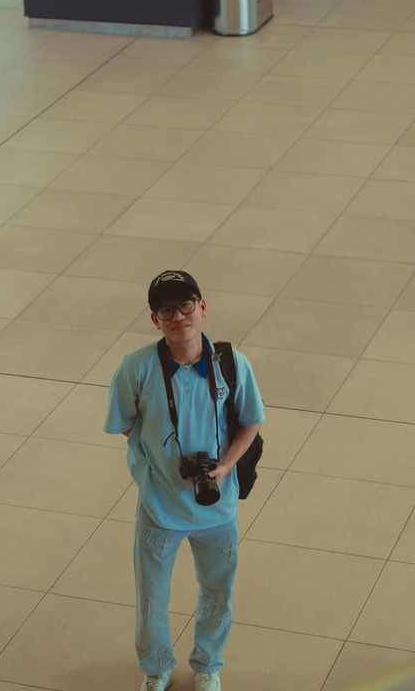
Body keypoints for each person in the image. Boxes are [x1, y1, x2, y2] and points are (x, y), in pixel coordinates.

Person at [105, 270, 265, 691]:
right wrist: (158, 455)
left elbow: (250, 425)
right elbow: (124, 423)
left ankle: (208, 663)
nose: (179, 316)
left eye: (186, 305)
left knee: (217, 592)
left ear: (203, 308)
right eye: (167, 310)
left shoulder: (231, 364)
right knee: (152, 599)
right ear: (155, 319)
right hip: (160, 508)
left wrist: (226, 466)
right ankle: (157, 667)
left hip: (217, 507)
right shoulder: (136, 368)